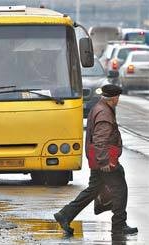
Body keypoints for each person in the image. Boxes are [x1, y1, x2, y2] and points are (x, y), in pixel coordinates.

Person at [54, 84, 138, 236]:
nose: (118, 100)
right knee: (120, 188)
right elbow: (100, 139)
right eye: (117, 97)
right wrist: (104, 161)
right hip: (103, 159)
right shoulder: (105, 114)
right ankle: (119, 225)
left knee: (93, 190)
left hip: (97, 158)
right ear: (113, 98)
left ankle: (65, 214)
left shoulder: (99, 107)